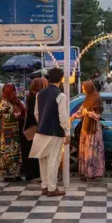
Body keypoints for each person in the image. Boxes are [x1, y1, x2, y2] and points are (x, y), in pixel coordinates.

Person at [29, 68, 69, 197]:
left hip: (41, 131)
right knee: (53, 160)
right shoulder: (61, 95)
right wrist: (67, 131)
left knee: (43, 160)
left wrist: (42, 122)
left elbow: (36, 113)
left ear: (49, 78)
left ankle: (45, 186)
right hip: (55, 132)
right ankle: (52, 188)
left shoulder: (39, 94)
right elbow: (63, 116)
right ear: (61, 78)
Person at [70, 81, 105, 181]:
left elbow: (98, 116)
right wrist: (73, 116)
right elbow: (81, 111)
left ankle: (94, 173)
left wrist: (88, 113)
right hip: (85, 127)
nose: (83, 90)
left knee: (92, 151)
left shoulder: (97, 98)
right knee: (86, 151)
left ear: (89, 88)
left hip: (93, 129)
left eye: (84, 88)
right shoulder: (87, 98)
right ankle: (86, 172)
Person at [0, 84, 25, 182]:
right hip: (8, 132)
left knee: (16, 153)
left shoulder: (14, 101)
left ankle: (16, 173)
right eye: (13, 90)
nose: (15, 92)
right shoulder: (4, 102)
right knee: (9, 154)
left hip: (15, 131)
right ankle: (8, 175)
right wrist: (13, 116)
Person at [22, 78, 48, 182]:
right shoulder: (36, 97)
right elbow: (36, 114)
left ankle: (30, 173)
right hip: (34, 127)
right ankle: (34, 173)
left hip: (29, 127)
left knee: (30, 150)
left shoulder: (31, 96)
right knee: (35, 151)